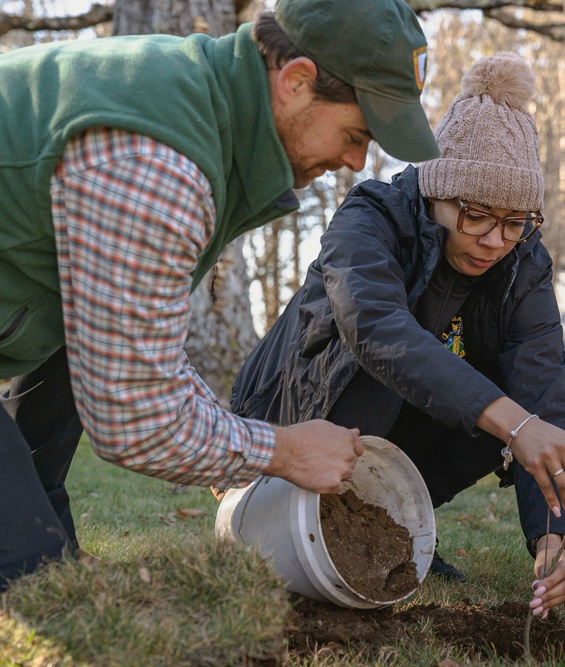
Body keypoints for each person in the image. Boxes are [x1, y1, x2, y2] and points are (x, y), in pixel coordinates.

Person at [0, 0, 440, 589]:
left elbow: (135, 336)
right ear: (296, 81)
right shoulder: (160, 166)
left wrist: (218, 431)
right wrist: (281, 451)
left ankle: (44, 548)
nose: (355, 162)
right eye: (356, 133)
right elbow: (132, 417)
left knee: (41, 555)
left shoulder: (204, 103)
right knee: (23, 581)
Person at [231, 53, 565, 617]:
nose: (495, 240)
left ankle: (385, 525)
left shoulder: (523, 259)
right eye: (476, 214)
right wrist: (514, 422)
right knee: (393, 373)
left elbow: (542, 380)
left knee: (511, 401)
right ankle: (316, 522)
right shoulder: (371, 216)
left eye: (515, 221)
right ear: (436, 193)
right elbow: (376, 329)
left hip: (391, 434)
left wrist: (555, 540)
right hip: (293, 412)